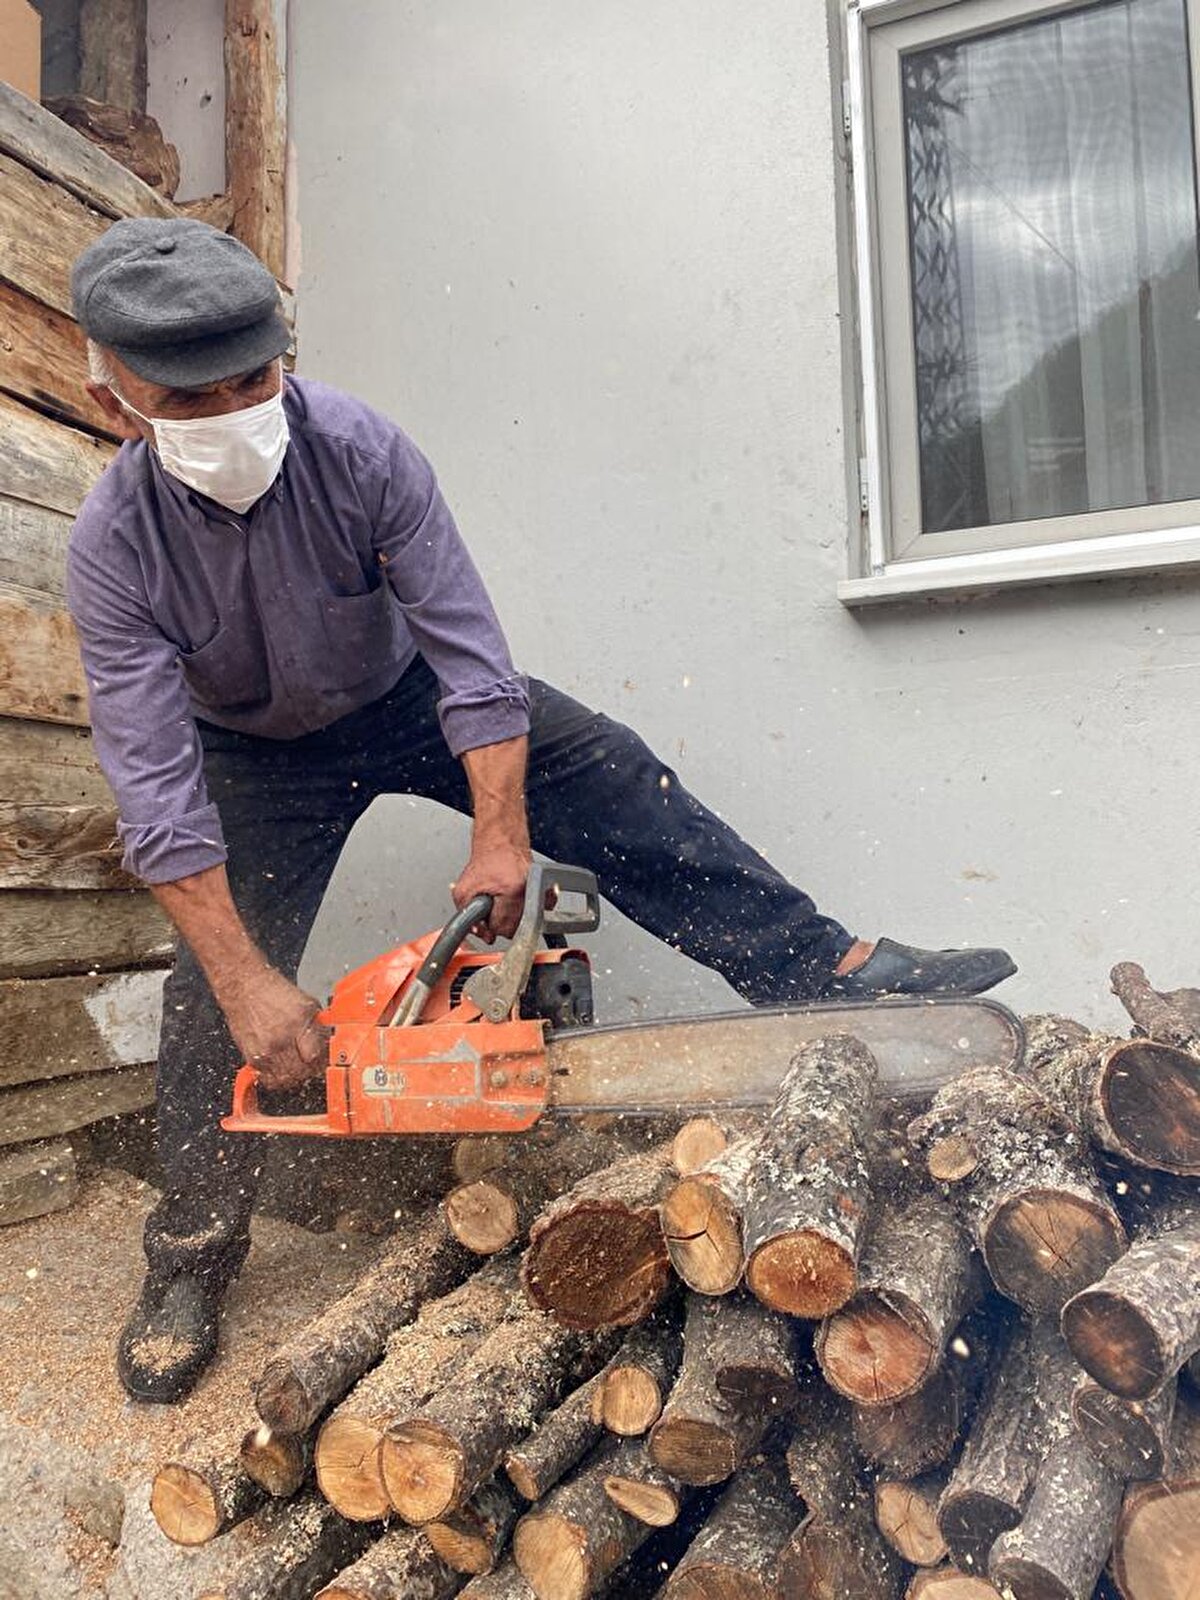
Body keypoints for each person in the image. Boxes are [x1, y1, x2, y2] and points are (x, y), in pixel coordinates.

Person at [66, 217, 1015, 1403]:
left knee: (613, 772)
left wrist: (500, 831)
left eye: (253, 381)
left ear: (284, 356)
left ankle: (822, 966)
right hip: (249, 752)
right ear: (117, 403)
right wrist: (254, 987)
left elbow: (474, 664)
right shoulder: (112, 547)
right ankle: (192, 1254)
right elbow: (157, 796)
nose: (231, 413)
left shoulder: (366, 453)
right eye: (189, 398)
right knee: (215, 989)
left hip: (401, 687)